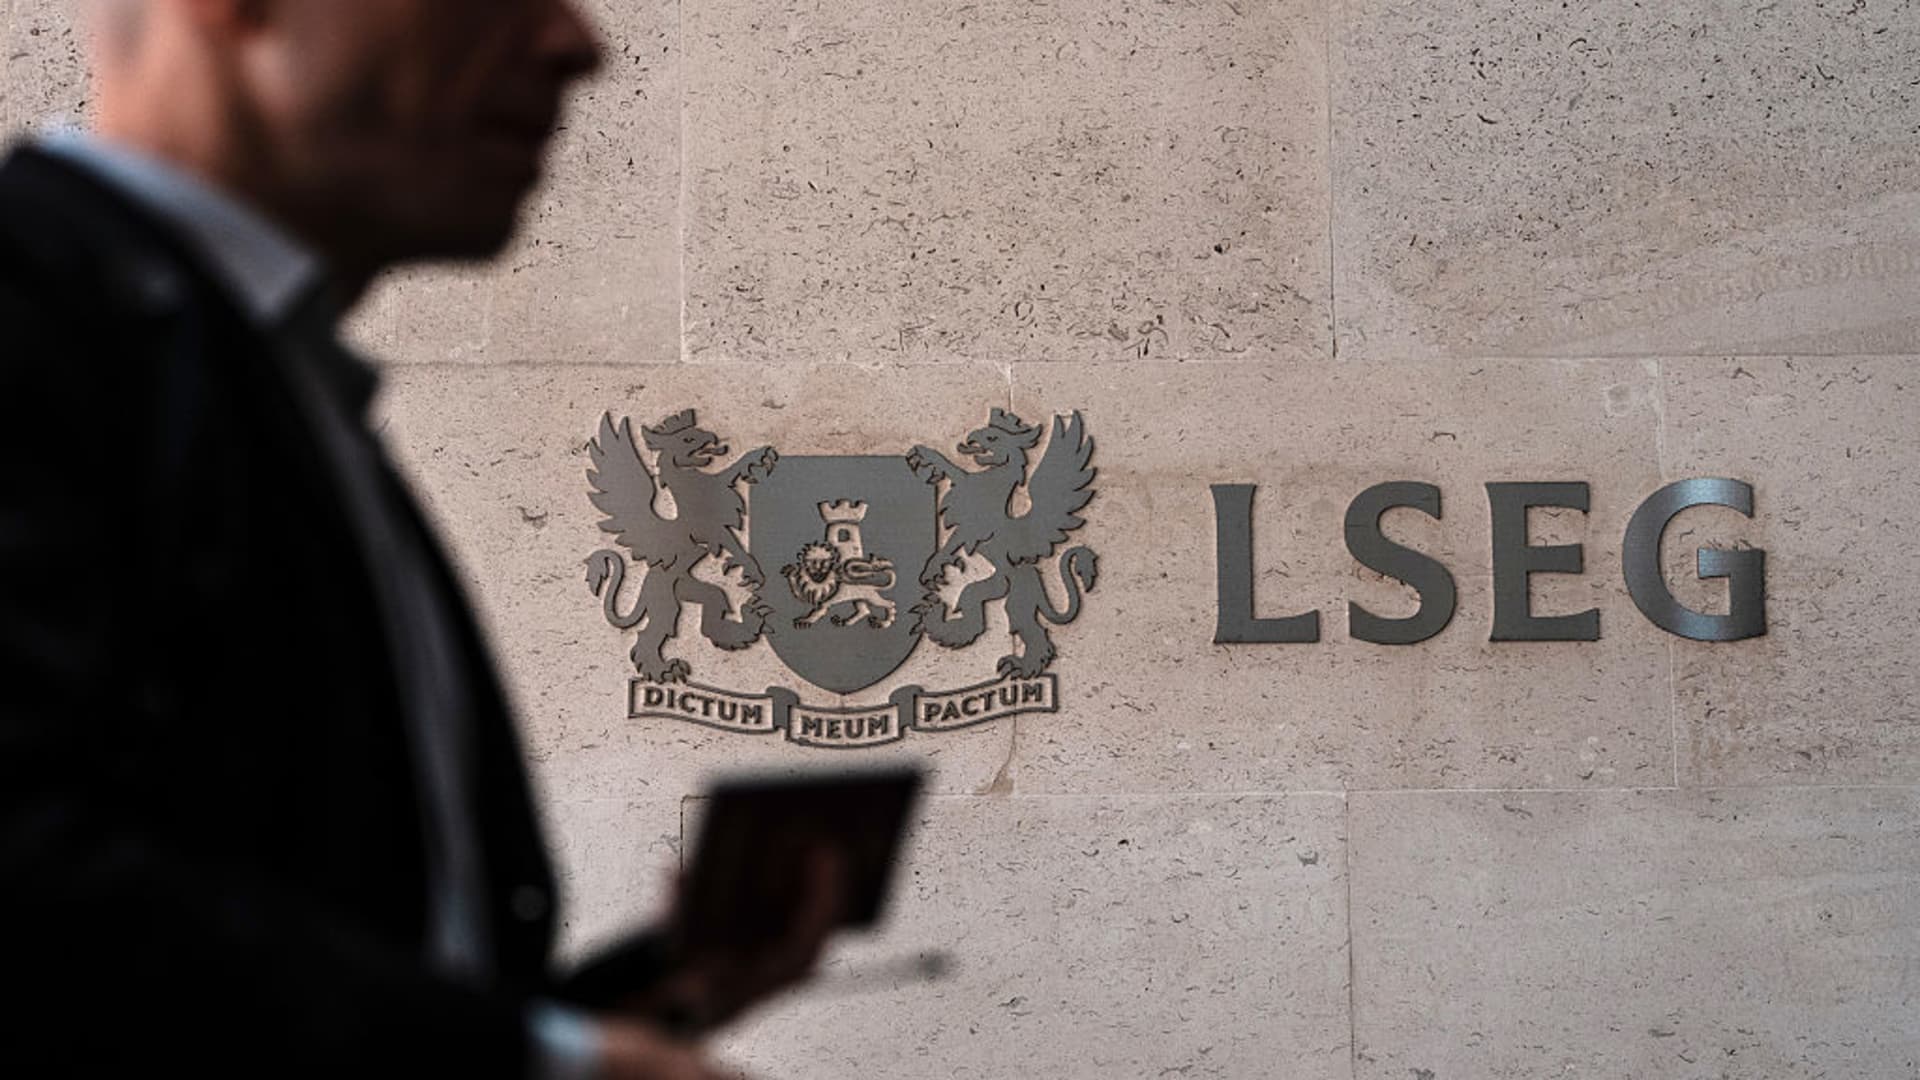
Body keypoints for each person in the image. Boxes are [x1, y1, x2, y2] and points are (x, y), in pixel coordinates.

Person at [0, 1, 836, 1075]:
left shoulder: (269, 379)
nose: (578, 45)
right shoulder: (40, 314)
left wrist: (631, 1005)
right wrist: (546, 1061)